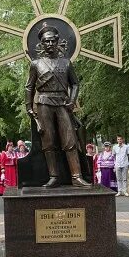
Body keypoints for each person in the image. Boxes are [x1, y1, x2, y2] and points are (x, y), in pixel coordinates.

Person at [25, 23, 90, 187]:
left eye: (53, 40)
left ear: (57, 41)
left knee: (70, 140)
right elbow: (29, 87)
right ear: (42, 44)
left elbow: (75, 84)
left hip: (62, 103)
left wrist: (72, 100)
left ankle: (76, 177)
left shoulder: (66, 63)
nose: (50, 44)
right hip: (44, 103)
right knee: (49, 141)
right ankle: (53, 176)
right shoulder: (36, 64)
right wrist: (29, 107)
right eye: (46, 41)